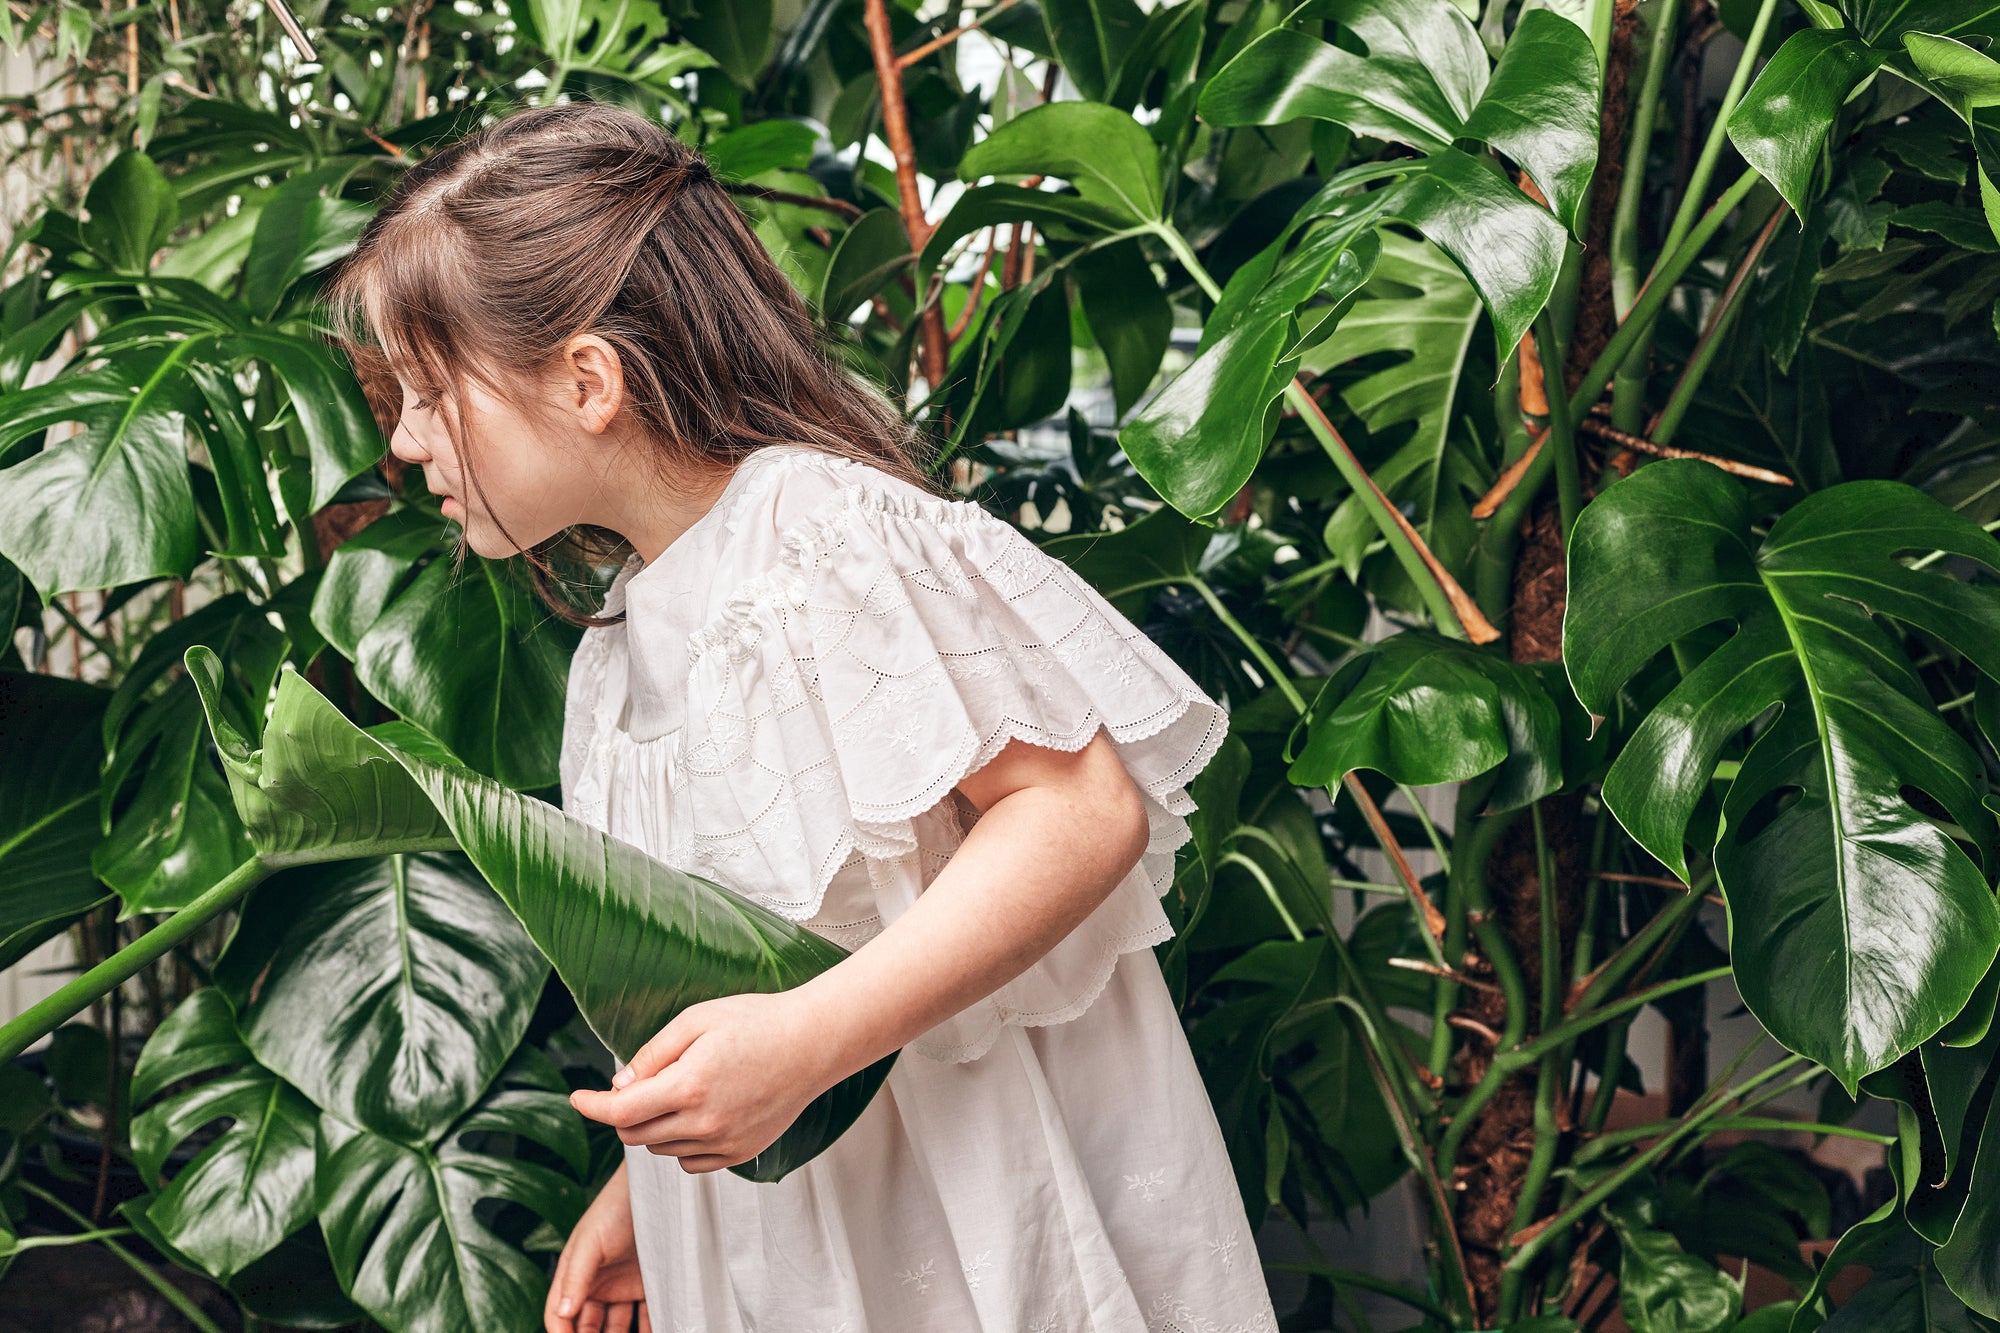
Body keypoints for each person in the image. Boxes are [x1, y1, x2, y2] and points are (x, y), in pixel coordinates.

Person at [326, 99, 1276, 1333]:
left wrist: (810, 1039)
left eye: (423, 395)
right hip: (803, 1229)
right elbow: (758, 951)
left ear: (587, 380)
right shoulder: (619, 648)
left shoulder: (820, 534)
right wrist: (647, 1181)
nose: (403, 445)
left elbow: (1076, 807)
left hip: (967, 1196)